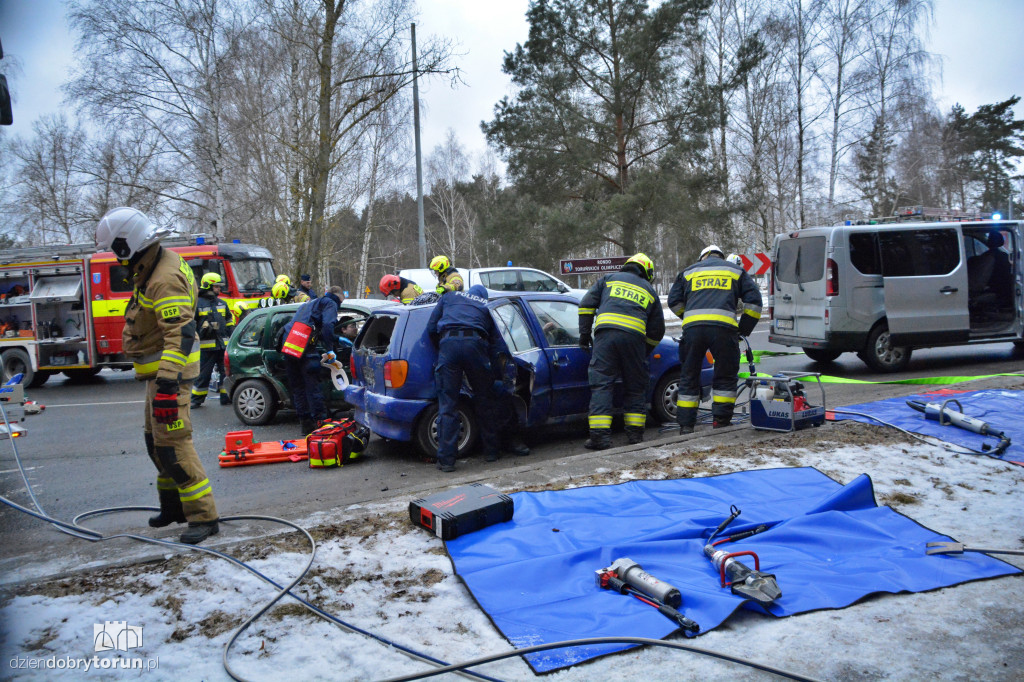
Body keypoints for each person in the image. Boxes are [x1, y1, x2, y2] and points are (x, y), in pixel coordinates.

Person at [95, 207, 219, 545]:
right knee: (156, 443)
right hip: (160, 376)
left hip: (170, 378)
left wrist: (166, 386)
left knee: (174, 447)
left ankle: (204, 516)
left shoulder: (163, 277)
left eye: (115, 251)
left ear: (126, 244)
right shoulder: (151, 264)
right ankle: (173, 507)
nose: (116, 258)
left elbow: (180, 333)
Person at [668, 244, 762, 434]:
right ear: (721, 256)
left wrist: (689, 317)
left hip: (693, 331)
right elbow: (754, 302)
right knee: (725, 376)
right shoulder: (735, 270)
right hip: (724, 330)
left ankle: (686, 426)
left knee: (689, 375)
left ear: (702, 257)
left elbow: (673, 301)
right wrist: (743, 330)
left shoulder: (688, 272)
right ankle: (721, 422)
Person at [577, 253, 665, 450]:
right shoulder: (649, 290)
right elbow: (657, 330)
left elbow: (585, 305)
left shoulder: (608, 280)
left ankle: (600, 438)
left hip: (605, 338)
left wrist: (584, 335)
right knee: (635, 387)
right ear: (647, 272)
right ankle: (635, 435)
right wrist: (643, 350)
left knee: (602, 385)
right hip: (634, 340)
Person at [425, 285, 503, 472]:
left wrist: (444, 347)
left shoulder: (449, 297)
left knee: (448, 405)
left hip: (449, 346)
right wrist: (495, 372)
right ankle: (491, 452)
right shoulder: (486, 305)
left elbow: (431, 328)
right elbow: (496, 342)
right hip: (476, 345)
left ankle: (446, 461)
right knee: (484, 399)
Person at [281, 285, 343, 434]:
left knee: (298, 388)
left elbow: (312, 328)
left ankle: (306, 424)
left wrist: (335, 338)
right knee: (313, 386)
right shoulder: (331, 302)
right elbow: (328, 325)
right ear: (340, 297)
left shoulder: (309, 304)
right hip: (304, 347)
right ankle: (321, 424)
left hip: (288, 344)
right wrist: (330, 349)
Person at [191, 273, 233, 408]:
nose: (219, 289)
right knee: (204, 375)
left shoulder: (222, 303)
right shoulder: (197, 303)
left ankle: (226, 397)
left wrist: (231, 335)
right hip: (206, 347)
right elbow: (191, 324)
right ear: (208, 286)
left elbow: (229, 320)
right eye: (216, 286)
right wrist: (203, 329)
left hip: (222, 346)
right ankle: (196, 399)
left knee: (225, 374)